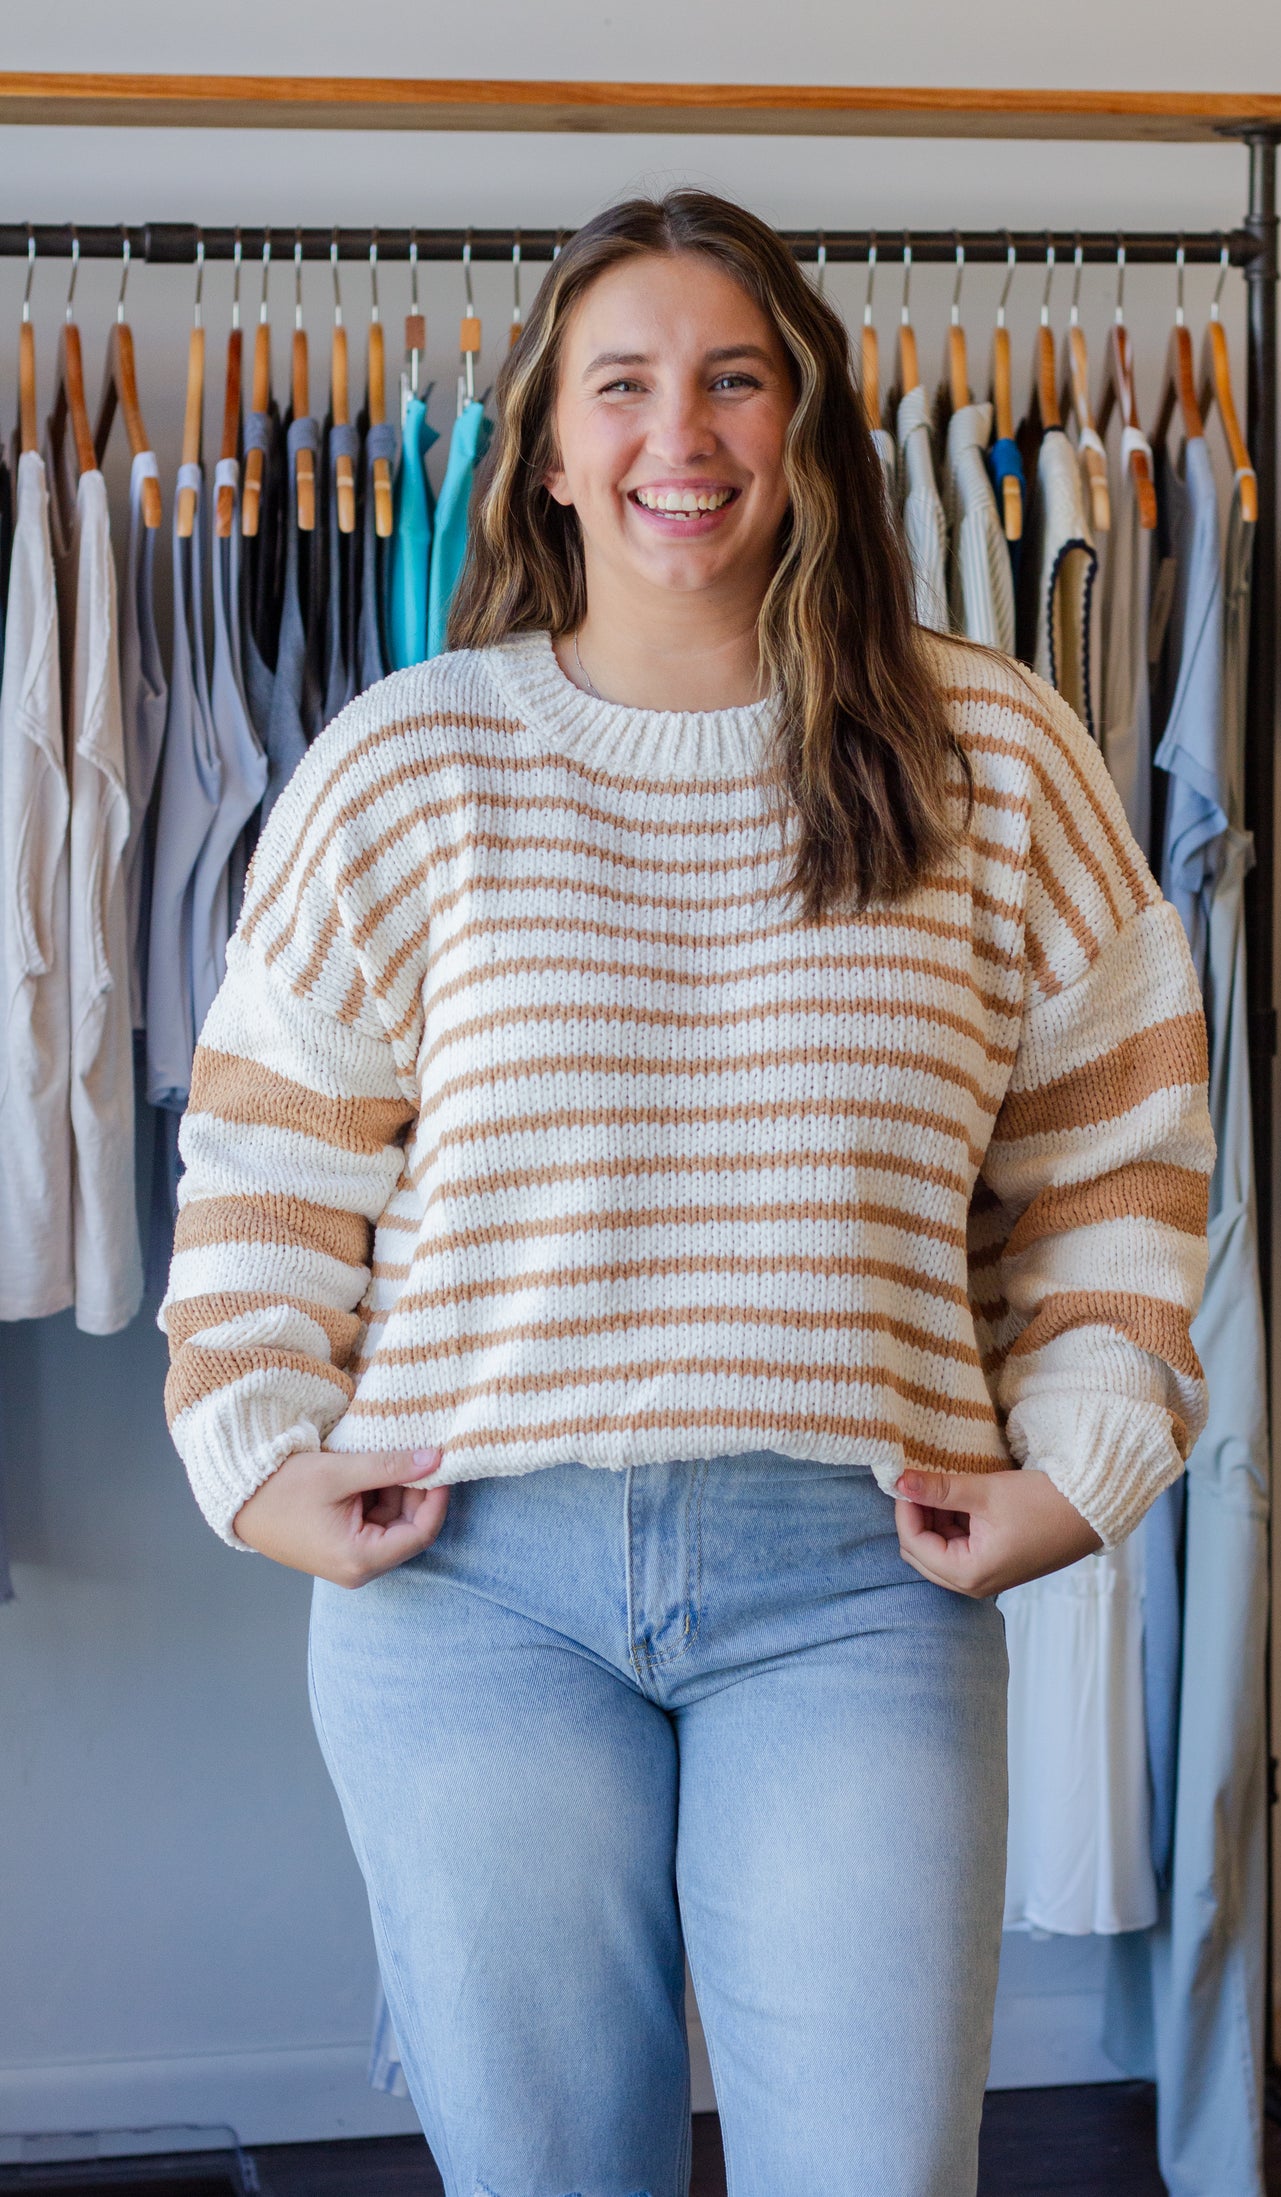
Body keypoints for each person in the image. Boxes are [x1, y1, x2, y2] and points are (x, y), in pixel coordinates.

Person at [159, 191, 1212, 2197]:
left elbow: (1123, 1124)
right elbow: (270, 1149)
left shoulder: (986, 743)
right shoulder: (410, 763)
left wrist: (1089, 1453)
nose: (683, 436)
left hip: (853, 1580)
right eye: (621, 386)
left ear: (808, 421)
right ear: (544, 449)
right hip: (471, 1579)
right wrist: (254, 1440)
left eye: (737, 378)